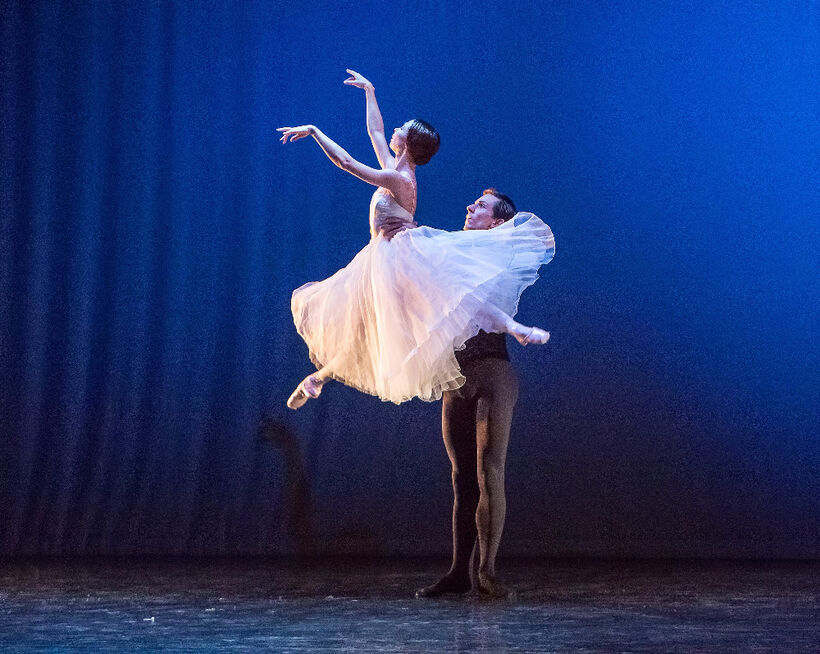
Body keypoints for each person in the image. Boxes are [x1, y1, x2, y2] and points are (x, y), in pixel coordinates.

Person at [277, 70, 554, 410]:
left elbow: (347, 162)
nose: (394, 130)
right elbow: (375, 130)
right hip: (382, 256)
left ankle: (515, 327)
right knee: (363, 331)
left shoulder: (401, 179)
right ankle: (317, 379)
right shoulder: (395, 168)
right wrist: (370, 92)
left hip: (403, 253)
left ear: (407, 141)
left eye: (401, 128)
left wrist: (315, 131)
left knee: (456, 293)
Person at [415, 189, 547, 600]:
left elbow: (479, 302)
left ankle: (487, 571)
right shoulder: (455, 253)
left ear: (496, 223)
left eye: (480, 206)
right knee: (461, 478)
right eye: (471, 202)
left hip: (493, 372)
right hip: (457, 376)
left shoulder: (494, 256)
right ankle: (459, 572)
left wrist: (516, 328)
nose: (469, 207)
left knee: (489, 472)